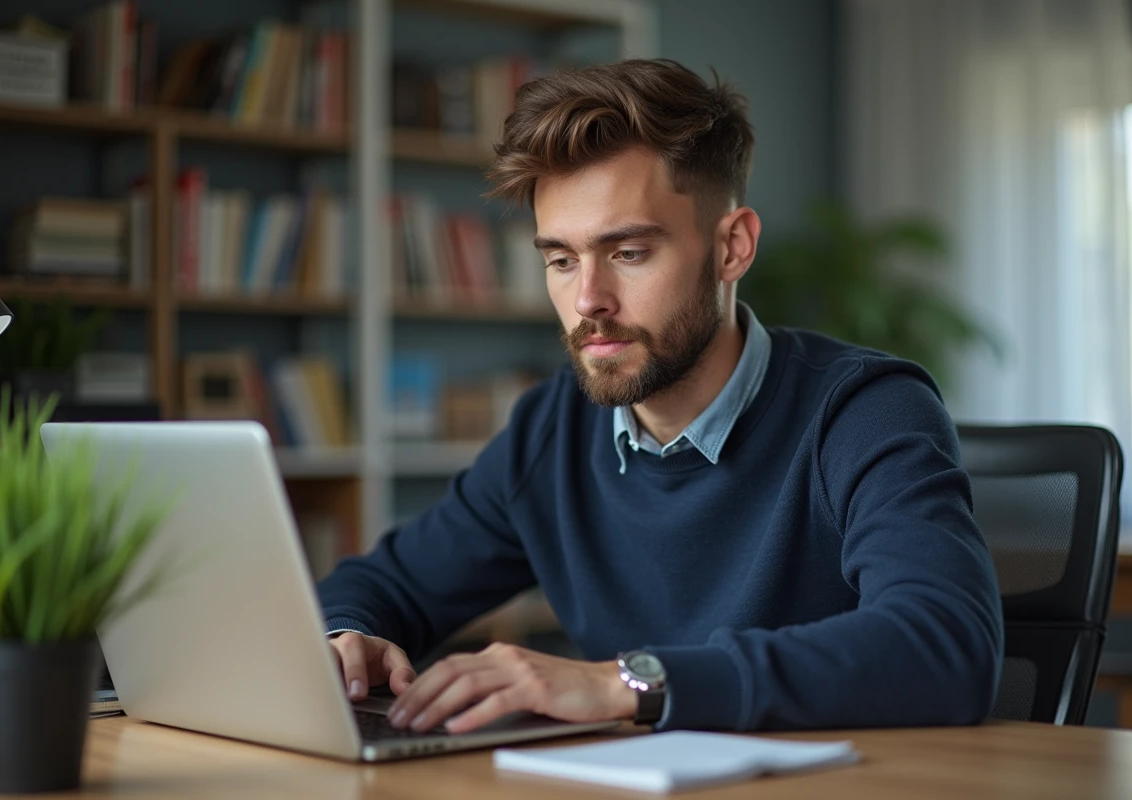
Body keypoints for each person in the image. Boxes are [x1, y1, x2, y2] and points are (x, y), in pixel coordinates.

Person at [317, 58, 1003, 736]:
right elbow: (385, 585)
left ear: (732, 247)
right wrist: (346, 636)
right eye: (560, 260)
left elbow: (944, 645)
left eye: (629, 253)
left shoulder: (864, 410)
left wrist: (624, 682)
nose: (588, 300)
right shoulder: (551, 428)